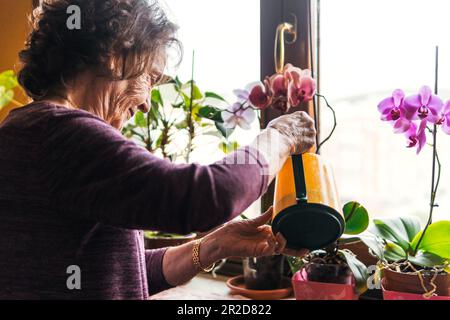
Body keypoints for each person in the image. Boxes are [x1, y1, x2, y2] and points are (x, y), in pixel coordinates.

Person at [0, 0, 316, 299]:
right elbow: (208, 196)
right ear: (115, 54)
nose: (147, 103)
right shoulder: (60, 134)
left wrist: (214, 246)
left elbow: (125, 272)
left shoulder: (29, 132)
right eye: (150, 78)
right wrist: (279, 136)